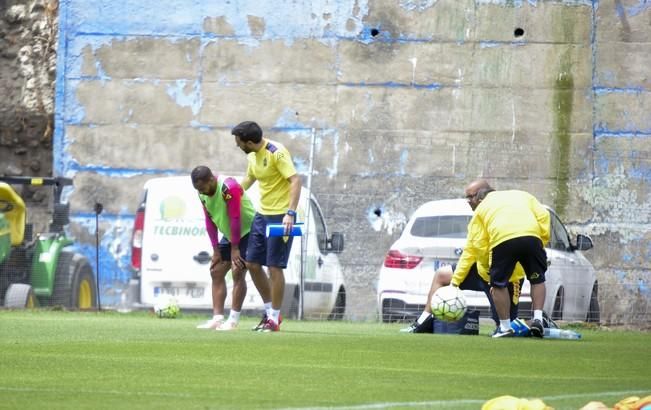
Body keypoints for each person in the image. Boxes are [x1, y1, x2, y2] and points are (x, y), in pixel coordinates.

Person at [402, 180, 524, 334]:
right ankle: (423, 321)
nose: (468, 201)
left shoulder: (502, 215)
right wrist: (454, 283)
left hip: (505, 275)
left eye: (470, 197)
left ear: (482, 196)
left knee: (507, 323)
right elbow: (469, 253)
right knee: (441, 275)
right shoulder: (476, 219)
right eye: (466, 197)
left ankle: (539, 322)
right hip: (481, 271)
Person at [232, 121, 301, 332]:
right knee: (252, 263)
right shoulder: (252, 155)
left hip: (281, 217)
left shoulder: (276, 152)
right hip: (262, 215)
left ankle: (275, 317)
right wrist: (233, 194)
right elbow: (250, 177)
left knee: (274, 267)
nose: (237, 145)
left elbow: (296, 180)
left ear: (250, 142)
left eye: (238, 142)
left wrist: (290, 213)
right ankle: (270, 312)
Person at [191, 166, 272, 331]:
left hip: (249, 230)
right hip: (230, 235)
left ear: (211, 180)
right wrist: (215, 250)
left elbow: (235, 217)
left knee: (238, 270)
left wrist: (235, 248)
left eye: (203, 187)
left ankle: (233, 320)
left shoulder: (229, 187)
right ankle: (217, 318)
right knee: (216, 271)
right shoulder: (202, 193)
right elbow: (209, 221)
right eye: (198, 189)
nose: (201, 192)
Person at [465, 182, 550, 338]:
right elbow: (544, 216)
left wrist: (486, 267)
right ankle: (538, 319)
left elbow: (478, 241)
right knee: (537, 279)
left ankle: (505, 327)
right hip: (531, 235)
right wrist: (541, 240)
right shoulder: (523, 194)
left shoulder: (482, 206)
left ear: (480, 197)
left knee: (498, 285)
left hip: (502, 239)